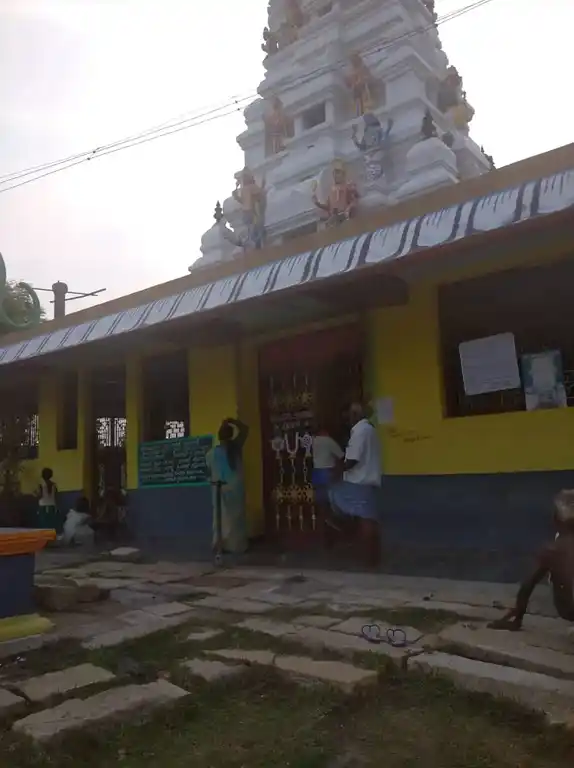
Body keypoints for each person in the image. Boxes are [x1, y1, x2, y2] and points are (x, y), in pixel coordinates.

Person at [488, 490, 574, 631]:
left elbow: (528, 584)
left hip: (569, 611)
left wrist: (517, 618)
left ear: (556, 519)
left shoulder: (551, 549)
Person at [328, 403, 382, 567]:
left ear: (355, 415)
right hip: (368, 480)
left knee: (334, 494)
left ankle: (366, 554)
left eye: (350, 414)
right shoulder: (370, 429)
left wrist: (338, 470)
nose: (348, 418)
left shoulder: (359, 431)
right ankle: (371, 556)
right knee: (368, 518)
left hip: (358, 481)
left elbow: (352, 460)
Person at [207, 417, 249, 555]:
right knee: (236, 520)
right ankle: (236, 546)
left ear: (219, 436)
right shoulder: (236, 448)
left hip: (219, 490)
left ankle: (220, 545)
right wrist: (233, 421)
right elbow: (245, 429)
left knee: (221, 519)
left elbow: (209, 471)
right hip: (235, 490)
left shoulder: (211, 454)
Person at [312, 422, 344, 541]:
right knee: (333, 500)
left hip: (317, 472)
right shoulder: (328, 441)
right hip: (328, 471)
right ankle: (333, 525)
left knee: (322, 502)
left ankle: (324, 525)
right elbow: (341, 456)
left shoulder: (313, 441)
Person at [36, 467, 61, 532]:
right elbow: (56, 497)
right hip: (52, 506)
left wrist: (35, 494)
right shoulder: (54, 485)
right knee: (51, 525)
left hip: (43, 507)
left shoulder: (41, 485)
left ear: (42, 475)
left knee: (43, 525)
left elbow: (40, 496)